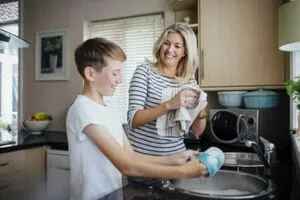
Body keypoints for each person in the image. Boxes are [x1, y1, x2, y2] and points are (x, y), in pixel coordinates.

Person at [66, 38, 224, 200]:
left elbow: (131, 156)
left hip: (112, 195)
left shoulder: (108, 109)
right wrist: (185, 172)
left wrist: (173, 160)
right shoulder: (83, 109)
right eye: (115, 73)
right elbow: (126, 166)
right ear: (90, 74)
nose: (120, 80)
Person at [127, 23, 207, 156]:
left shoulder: (189, 81)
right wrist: (170, 104)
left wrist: (201, 110)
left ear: (185, 51)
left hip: (176, 160)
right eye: (166, 43)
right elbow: (133, 120)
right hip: (143, 163)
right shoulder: (144, 72)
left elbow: (197, 132)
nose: (170, 50)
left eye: (177, 46)